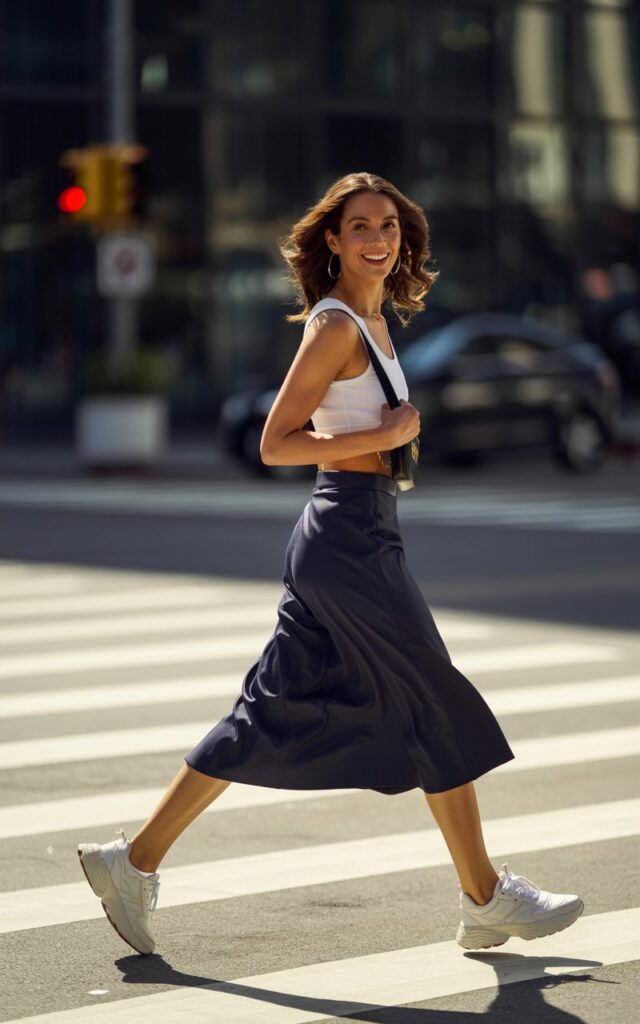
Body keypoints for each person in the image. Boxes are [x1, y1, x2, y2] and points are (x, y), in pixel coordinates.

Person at [78, 172, 583, 956]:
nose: (379, 239)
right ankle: (484, 896)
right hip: (348, 537)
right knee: (434, 699)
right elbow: (276, 442)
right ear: (334, 242)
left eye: (390, 226)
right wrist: (380, 440)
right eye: (361, 227)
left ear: (403, 239)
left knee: (267, 711)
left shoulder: (375, 323)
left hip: (354, 532)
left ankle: (131, 860)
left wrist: (383, 445)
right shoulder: (336, 326)